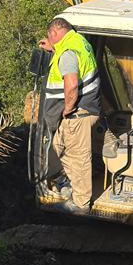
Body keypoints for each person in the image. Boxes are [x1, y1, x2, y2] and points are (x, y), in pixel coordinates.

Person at [39, 16, 101, 209]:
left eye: (50, 35)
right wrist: (53, 48)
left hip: (77, 114)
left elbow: (72, 85)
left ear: (54, 32)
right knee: (58, 147)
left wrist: (68, 108)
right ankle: (69, 182)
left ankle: (81, 204)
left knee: (78, 158)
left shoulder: (67, 53)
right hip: (89, 107)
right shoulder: (79, 41)